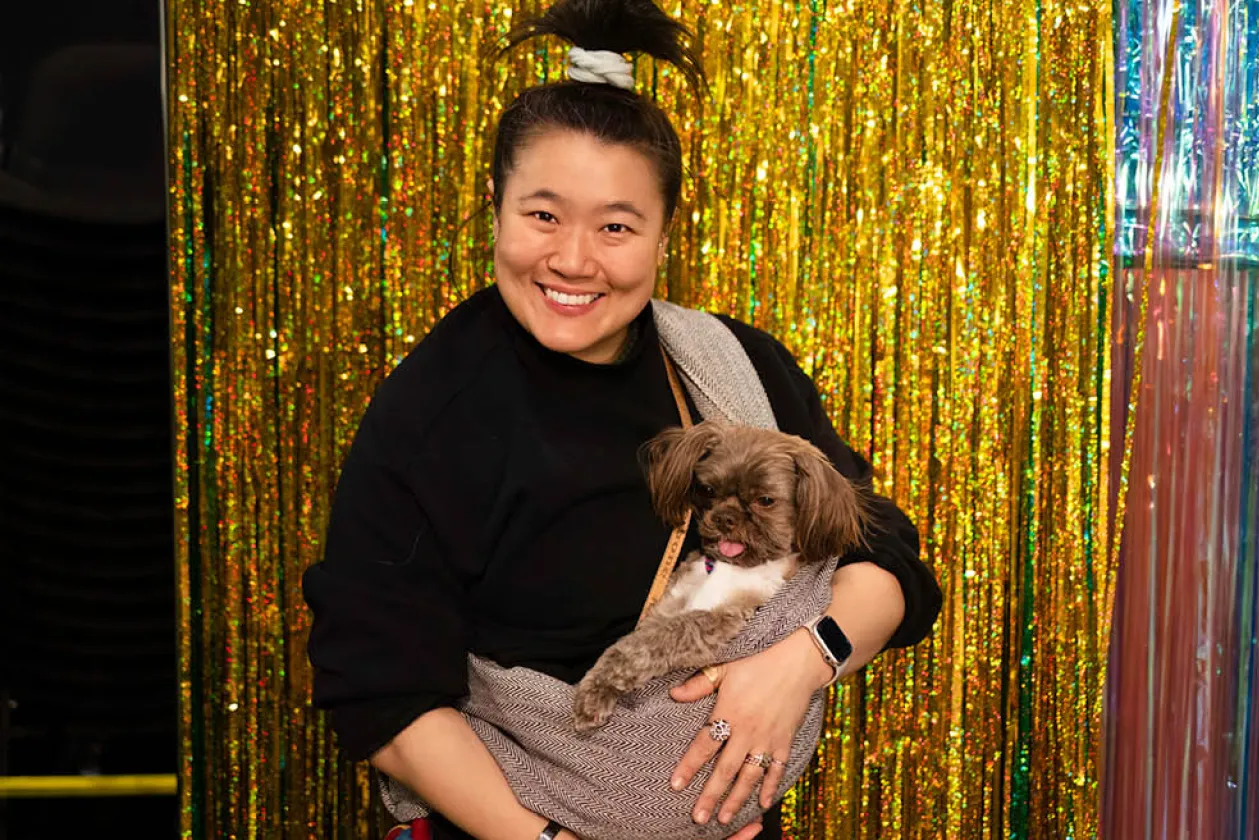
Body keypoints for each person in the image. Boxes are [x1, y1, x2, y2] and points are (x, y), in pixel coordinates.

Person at [302, 1, 942, 838]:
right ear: (494, 204)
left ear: (664, 233)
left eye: (615, 226)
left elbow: (889, 559)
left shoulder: (735, 368)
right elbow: (381, 695)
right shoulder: (432, 411)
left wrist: (798, 662)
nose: (573, 259)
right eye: (542, 215)